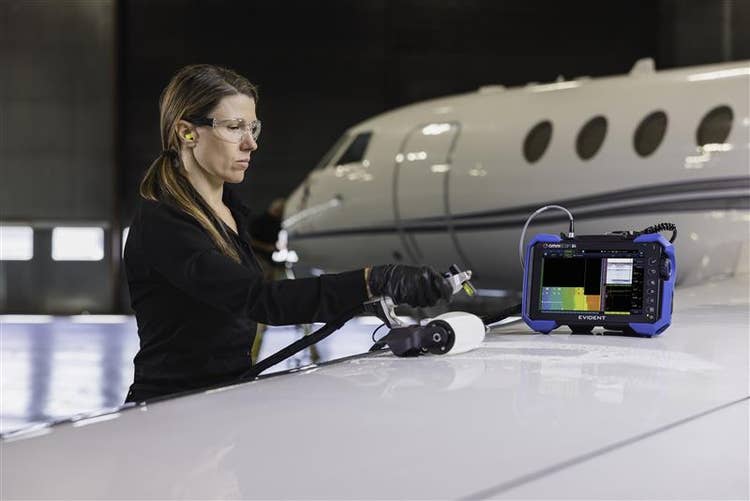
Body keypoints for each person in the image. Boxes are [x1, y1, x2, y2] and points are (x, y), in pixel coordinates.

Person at [123, 64, 451, 403]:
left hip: (220, 401)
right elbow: (260, 300)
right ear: (187, 133)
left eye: (252, 127)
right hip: (168, 408)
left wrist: (372, 293)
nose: (250, 143)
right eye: (234, 127)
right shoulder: (164, 222)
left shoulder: (229, 211)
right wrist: (373, 281)